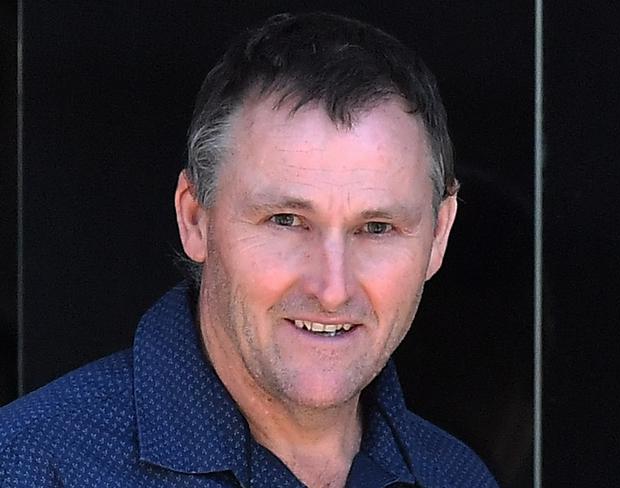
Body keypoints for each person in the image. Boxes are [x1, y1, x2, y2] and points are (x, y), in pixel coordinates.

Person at [0, 12, 498, 487]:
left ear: (438, 237)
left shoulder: (455, 476)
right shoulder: (34, 465)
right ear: (194, 219)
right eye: (286, 221)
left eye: (377, 227)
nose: (331, 289)